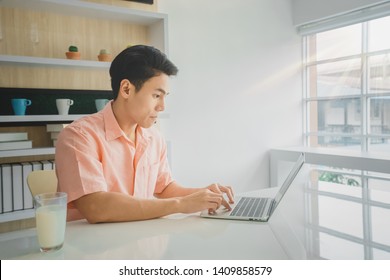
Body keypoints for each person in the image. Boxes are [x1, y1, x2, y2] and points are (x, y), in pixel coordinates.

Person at [55, 45, 234, 223]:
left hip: (141, 241)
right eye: (157, 95)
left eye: (165, 97)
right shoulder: (79, 136)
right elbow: (96, 207)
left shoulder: (154, 137)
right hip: (92, 248)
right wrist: (180, 204)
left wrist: (204, 194)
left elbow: (165, 188)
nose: (162, 106)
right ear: (126, 89)